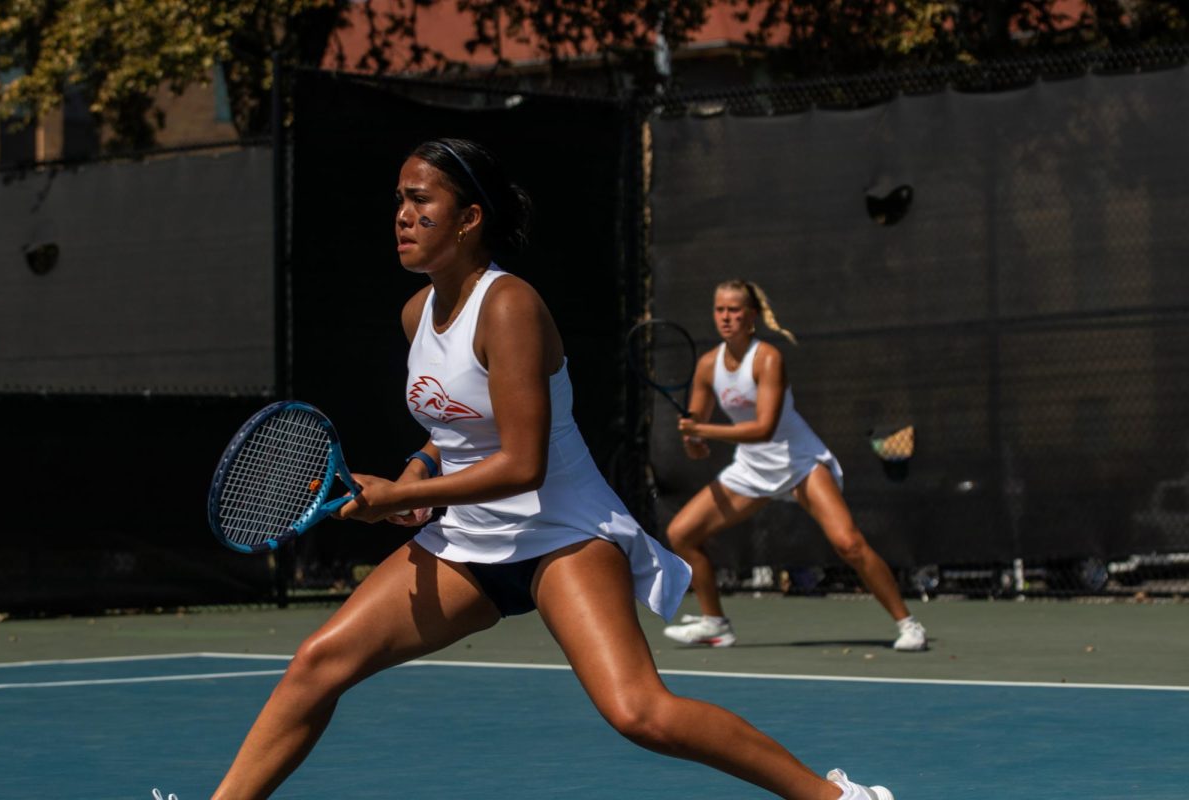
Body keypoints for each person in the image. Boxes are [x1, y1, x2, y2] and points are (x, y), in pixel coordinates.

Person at [209, 139, 895, 800]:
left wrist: (396, 502)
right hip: (468, 542)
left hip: (562, 532)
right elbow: (456, 428)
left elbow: (523, 463)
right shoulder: (417, 312)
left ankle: (835, 798)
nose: (403, 215)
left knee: (639, 713)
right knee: (316, 666)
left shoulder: (509, 307)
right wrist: (416, 473)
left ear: (470, 218)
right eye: (398, 200)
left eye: (421, 201)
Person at [661, 280, 928, 652]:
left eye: (734, 310)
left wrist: (702, 429)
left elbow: (764, 428)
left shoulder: (768, 358)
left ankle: (908, 624)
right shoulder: (708, 366)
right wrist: (694, 443)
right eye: (719, 310)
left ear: (751, 316)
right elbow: (699, 442)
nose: (726, 317)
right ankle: (715, 624)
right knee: (681, 535)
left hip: (798, 461)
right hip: (751, 470)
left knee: (848, 543)